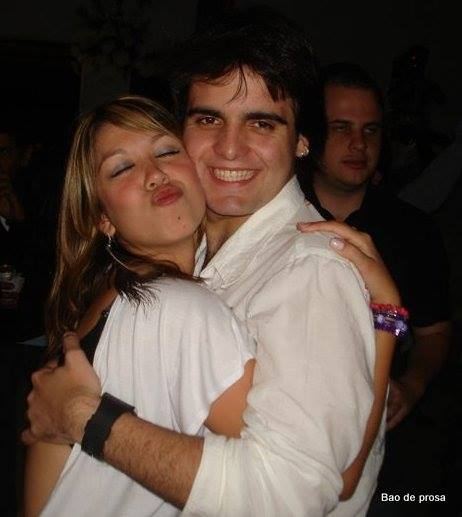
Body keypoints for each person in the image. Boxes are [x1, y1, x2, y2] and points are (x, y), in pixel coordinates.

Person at [23, 8, 403, 515]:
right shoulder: (185, 256)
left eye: (261, 123)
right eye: (208, 119)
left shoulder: (311, 270)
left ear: (302, 141)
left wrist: (84, 418)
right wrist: (387, 322)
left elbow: (299, 490)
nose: (229, 148)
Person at [24, 95, 256, 516]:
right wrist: (381, 317)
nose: (154, 174)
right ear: (103, 218)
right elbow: (299, 473)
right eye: (122, 168)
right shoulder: (175, 307)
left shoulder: (114, 299)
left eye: (166, 151)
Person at [302, 62, 451, 431]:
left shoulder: (413, 230)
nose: (359, 144)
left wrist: (411, 386)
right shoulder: (278, 216)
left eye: (370, 130)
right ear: (308, 135)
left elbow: (432, 332)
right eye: (341, 128)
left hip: (377, 420)